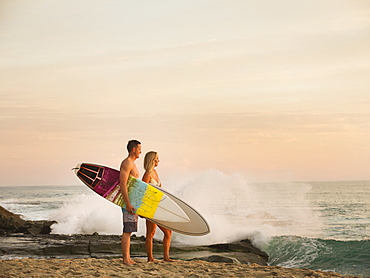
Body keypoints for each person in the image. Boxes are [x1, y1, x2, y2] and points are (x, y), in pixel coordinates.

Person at [142, 151, 174, 262]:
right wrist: (142, 210)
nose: (158, 161)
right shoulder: (147, 174)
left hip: (158, 206)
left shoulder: (155, 172)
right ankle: (150, 258)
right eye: (156, 159)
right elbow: (142, 191)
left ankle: (166, 257)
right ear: (152, 160)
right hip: (150, 207)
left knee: (168, 232)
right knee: (151, 233)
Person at [119, 139, 142, 265]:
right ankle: (125, 259)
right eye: (139, 149)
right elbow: (122, 184)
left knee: (130, 230)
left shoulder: (132, 163)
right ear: (134, 149)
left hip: (133, 202)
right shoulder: (127, 163)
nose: (140, 151)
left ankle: (128, 258)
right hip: (128, 203)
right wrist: (127, 203)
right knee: (127, 230)